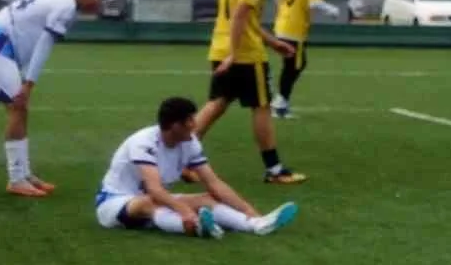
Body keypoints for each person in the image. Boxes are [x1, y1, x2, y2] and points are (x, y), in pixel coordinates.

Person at [188, 0, 306, 185]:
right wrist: (234, 54)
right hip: (244, 54)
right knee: (261, 106)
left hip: (220, 47)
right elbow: (240, 16)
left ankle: (183, 159)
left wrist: (273, 43)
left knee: (217, 103)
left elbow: (244, 20)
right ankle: (274, 169)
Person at [0, 0, 105, 197]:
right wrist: (28, 83)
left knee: (20, 109)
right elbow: (44, 45)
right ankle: (16, 179)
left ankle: (24, 174)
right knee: (17, 107)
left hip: (1, 41)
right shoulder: (66, 6)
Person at [96, 96, 299, 238]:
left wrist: (251, 212)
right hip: (114, 204)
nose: (195, 124)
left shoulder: (190, 142)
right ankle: (198, 227)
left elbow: (214, 183)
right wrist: (185, 211)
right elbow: (155, 189)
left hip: (152, 200)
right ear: (175, 125)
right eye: (190, 120)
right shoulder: (144, 143)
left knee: (205, 199)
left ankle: (255, 225)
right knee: (149, 202)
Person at [270, 0, 341, 119]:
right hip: (295, 29)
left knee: (293, 65)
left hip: (282, 24)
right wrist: (332, 10)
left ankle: (280, 103)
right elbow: (314, 3)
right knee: (295, 65)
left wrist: (284, 11)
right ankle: (279, 104)